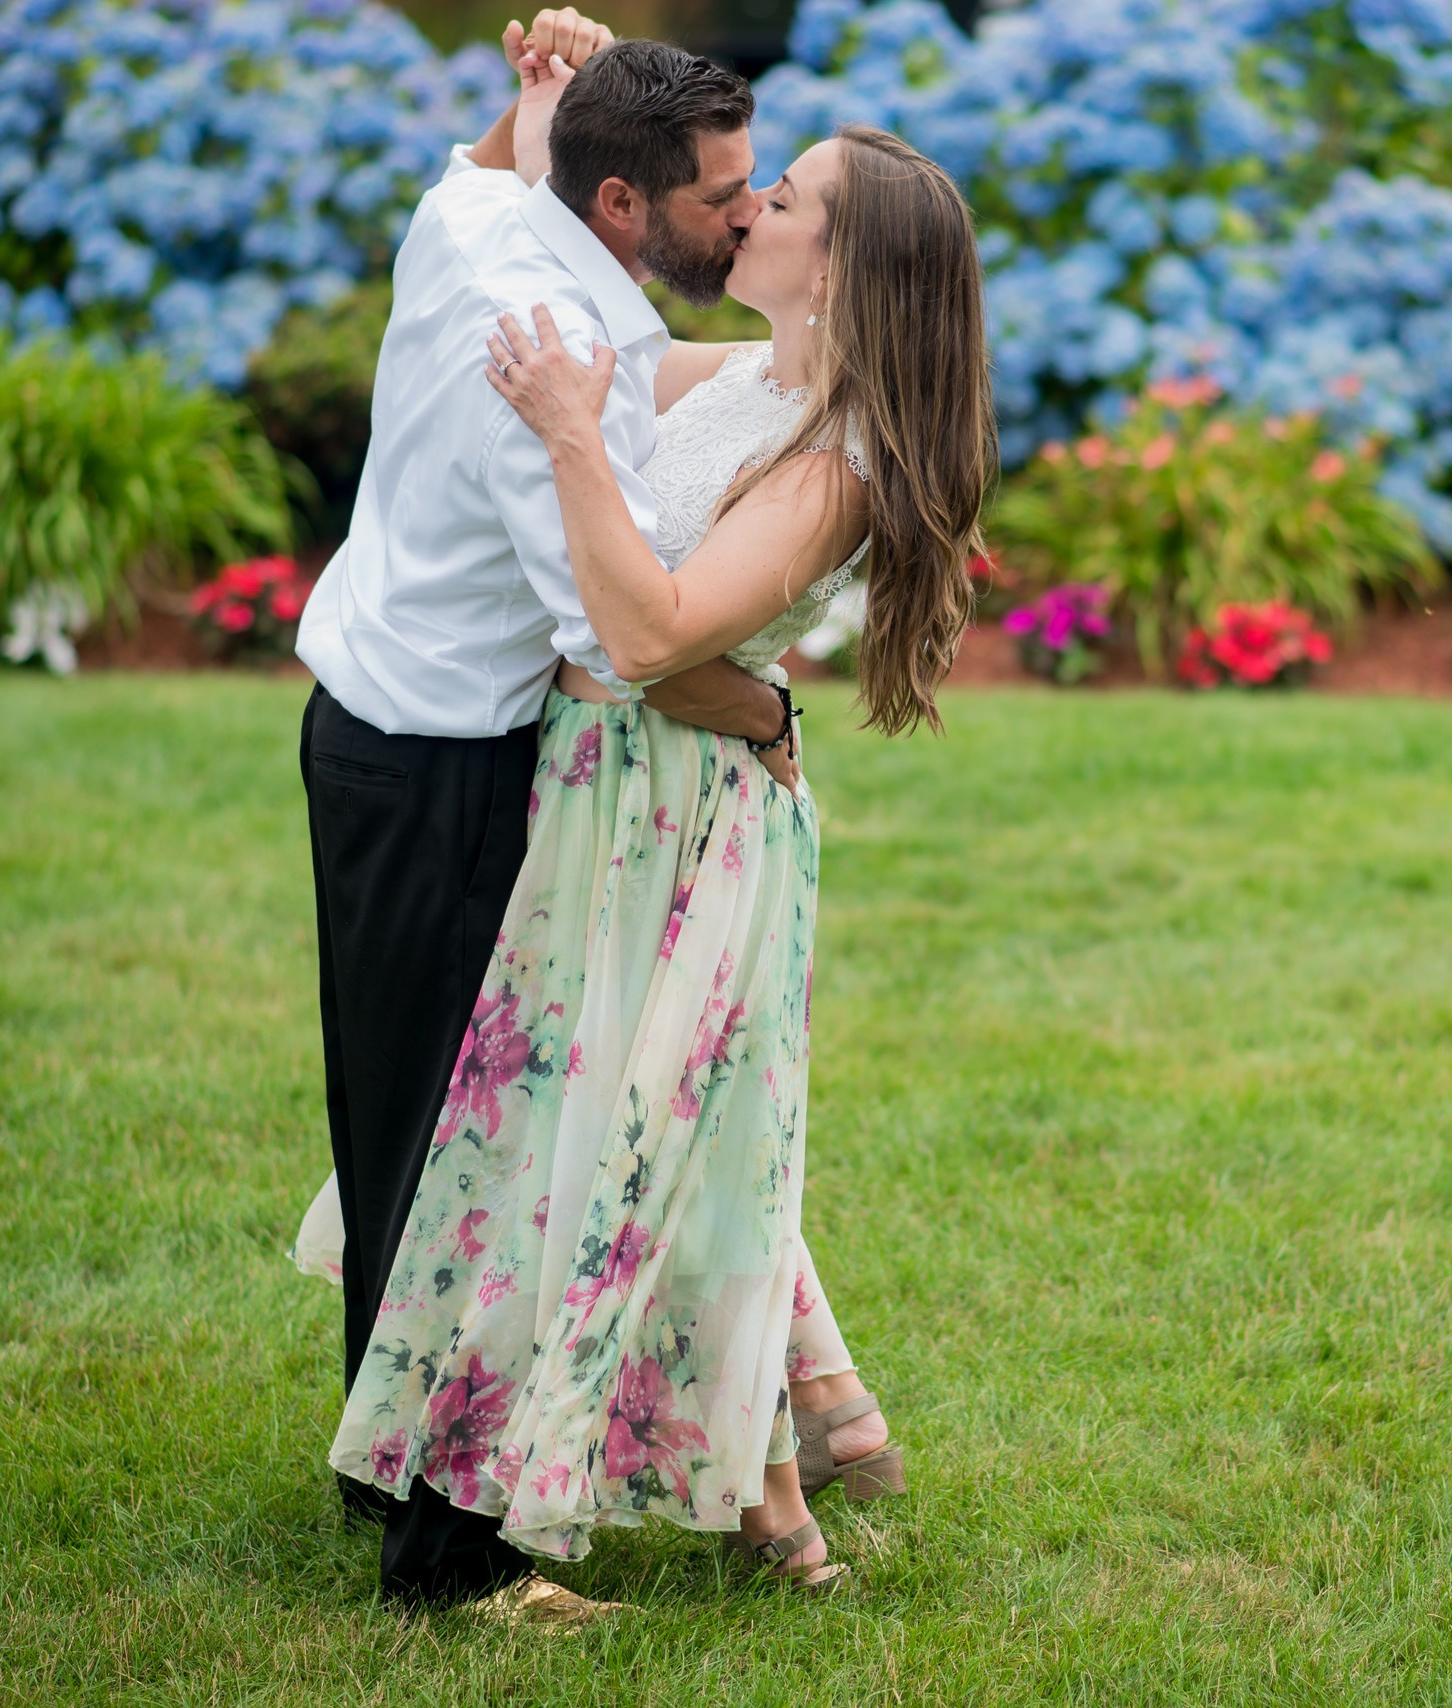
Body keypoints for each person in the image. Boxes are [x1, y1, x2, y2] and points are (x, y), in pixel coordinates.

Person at [300, 15, 994, 1610]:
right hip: (583, 790)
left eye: (779, 198)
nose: (749, 212)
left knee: (612, 1144)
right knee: (563, 1136)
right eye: (739, 189)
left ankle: (704, 1484)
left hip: (670, 821)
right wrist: (567, 113)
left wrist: (572, 431)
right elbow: (590, 332)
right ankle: (704, 1477)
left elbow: (645, 631)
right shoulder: (730, 368)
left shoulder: (825, 455)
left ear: (844, 269)